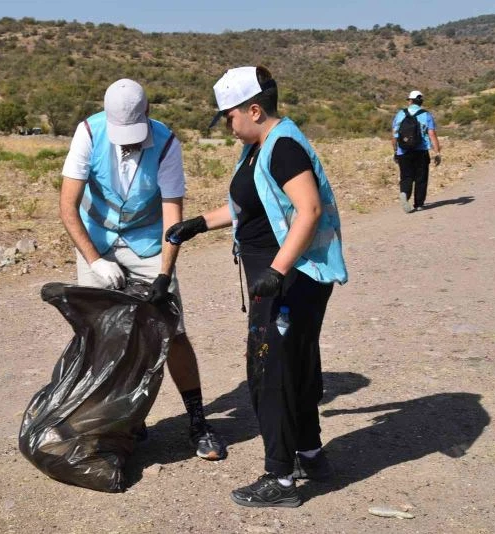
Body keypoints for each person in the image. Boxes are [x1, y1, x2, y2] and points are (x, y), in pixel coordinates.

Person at [166, 66, 348, 508]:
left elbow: (308, 210)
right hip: (283, 275)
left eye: (228, 117)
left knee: (273, 375)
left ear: (254, 109)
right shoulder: (260, 146)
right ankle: (309, 455)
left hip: (291, 278)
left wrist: (278, 270)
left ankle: (280, 480)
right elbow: (249, 204)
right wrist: (198, 224)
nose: (227, 125)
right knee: (297, 365)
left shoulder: (283, 147)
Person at [58, 78, 226, 461]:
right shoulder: (88, 133)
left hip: (150, 243)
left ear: (148, 113)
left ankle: (199, 421)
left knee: (172, 331)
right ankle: (120, 421)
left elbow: (172, 215)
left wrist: (164, 275)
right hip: (97, 241)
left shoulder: (166, 144)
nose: (128, 142)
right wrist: (95, 260)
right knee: (100, 338)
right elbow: (68, 208)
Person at [392, 90, 441, 213]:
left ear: (410, 101)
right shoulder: (426, 115)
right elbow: (432, 134)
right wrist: (437, 152)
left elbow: (394, 135)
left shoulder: (400, 114)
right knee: (421, 177)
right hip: (421, 150)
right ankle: (419, 204)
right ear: (420, 101)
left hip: (403, 150)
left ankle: (404, 193)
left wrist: (395, 151)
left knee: (406, 176)